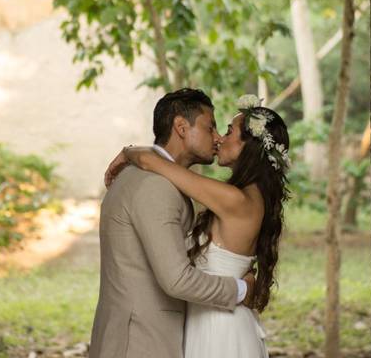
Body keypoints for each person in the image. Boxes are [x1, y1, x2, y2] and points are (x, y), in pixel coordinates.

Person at [104, 93, 290, 358]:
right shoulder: (242, 197)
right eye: (213, 128)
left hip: (221, 329)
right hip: (207, 322)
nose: (219, 138)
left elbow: (153, 162)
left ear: (249, 147)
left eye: (227, 131)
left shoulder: (237, 200)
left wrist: (129, 152)